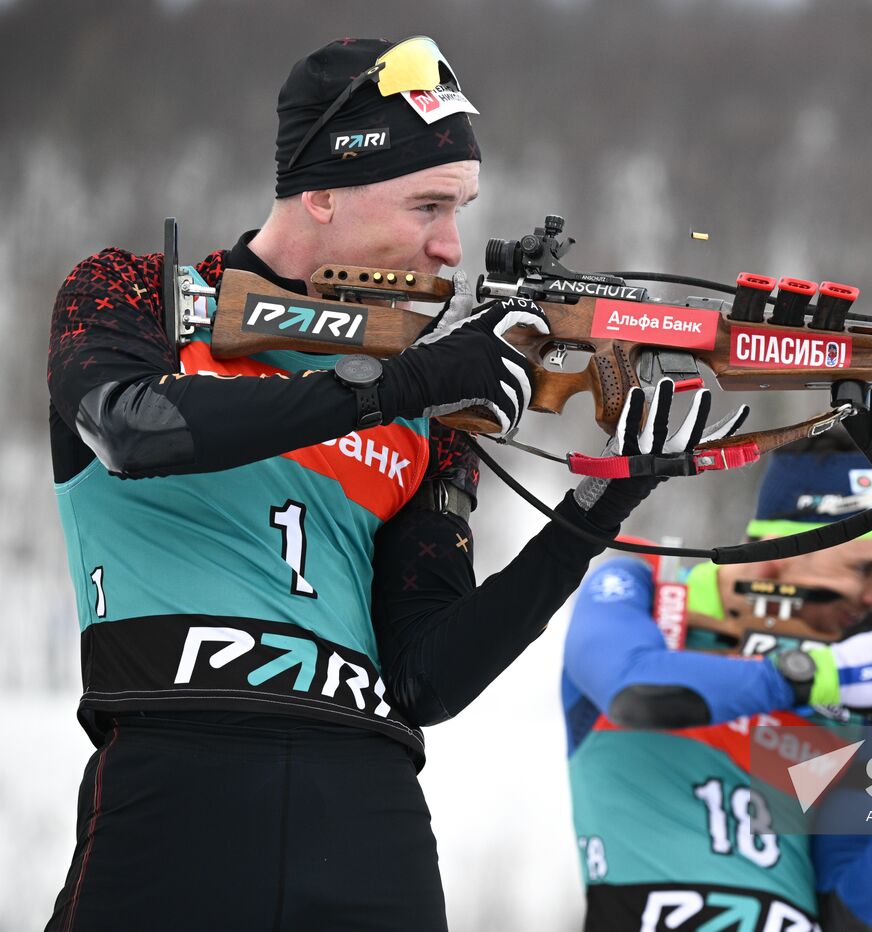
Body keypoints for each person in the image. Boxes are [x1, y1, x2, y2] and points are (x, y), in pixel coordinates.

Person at [44, 36, 728, 932]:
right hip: (177, 778)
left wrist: (599, 506)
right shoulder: (133, 294)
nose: (450, 244)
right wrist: (412, 383)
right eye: (427, 206)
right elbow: (135, 428)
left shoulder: (422, 408)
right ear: (321, 192)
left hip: (370, 812)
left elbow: (425, 679)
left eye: (462, 208)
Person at [562, 433, 872, 931]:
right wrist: (815, 676)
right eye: (864, 569)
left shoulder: (866, 698)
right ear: (781, 549)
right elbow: (633, 690)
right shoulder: (644, 592)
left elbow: (853, 915)